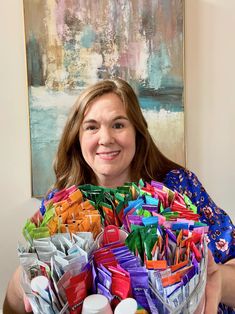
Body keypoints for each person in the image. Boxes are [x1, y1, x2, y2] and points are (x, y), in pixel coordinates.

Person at [3, 78, 235, 314]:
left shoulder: (178, 187)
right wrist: (26, 281)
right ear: (77, 137)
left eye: (118, 125)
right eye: (91, 127)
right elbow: (12, 307)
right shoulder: (60, 205)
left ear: (137, 131)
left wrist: (210, 279)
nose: (105, 139)